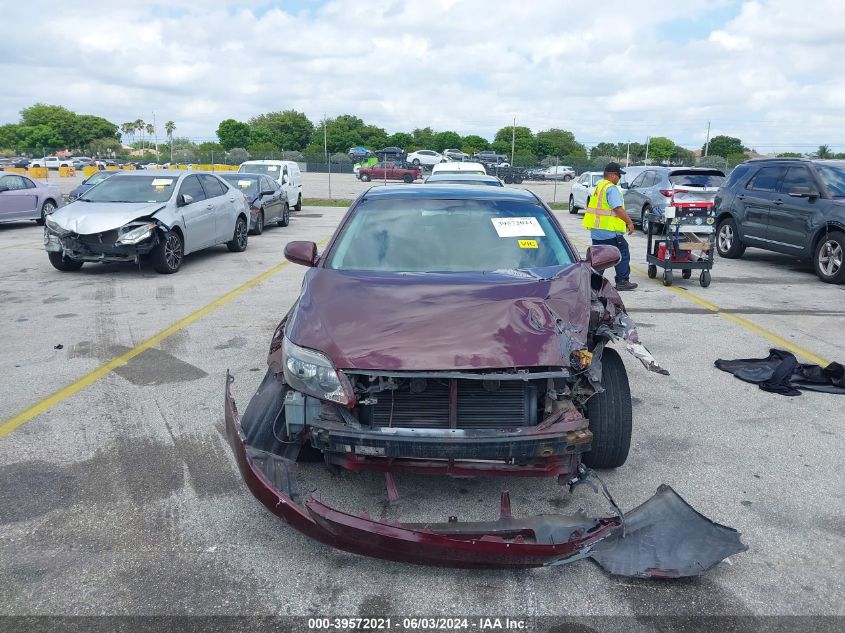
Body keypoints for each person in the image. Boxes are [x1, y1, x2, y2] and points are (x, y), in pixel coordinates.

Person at [582, 162, 638, 291]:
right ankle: (622, 281)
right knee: (621, 252)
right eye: (619, 175)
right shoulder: (611, 188)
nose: (619, 178)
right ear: (613, 175)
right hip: (609, 230)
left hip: (597, 230)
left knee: (600, 256)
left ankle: (593, 283)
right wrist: (629, 222)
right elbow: (617, 209)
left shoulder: (600, 186)